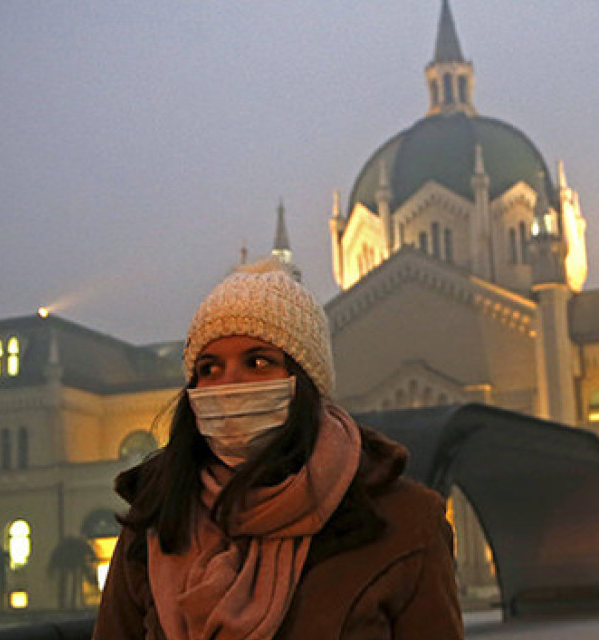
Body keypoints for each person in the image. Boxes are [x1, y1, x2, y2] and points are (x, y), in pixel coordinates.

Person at [93, 258, 463, 640]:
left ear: (304, 382)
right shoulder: (157, 521)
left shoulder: (403, 522)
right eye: (209, 368)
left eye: (257, 362)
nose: (229, 384)